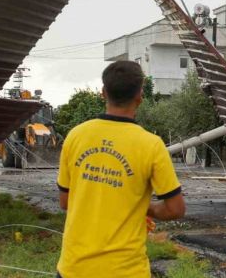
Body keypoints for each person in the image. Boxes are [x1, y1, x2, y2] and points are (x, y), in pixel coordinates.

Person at [56, 61, 185, 277]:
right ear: (140, 97)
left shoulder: (76, 136)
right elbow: (175, 209)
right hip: (126, 270)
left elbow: (65, 201)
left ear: (103, 93)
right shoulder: (151, 145)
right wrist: (144, 207)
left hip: (73, 268)